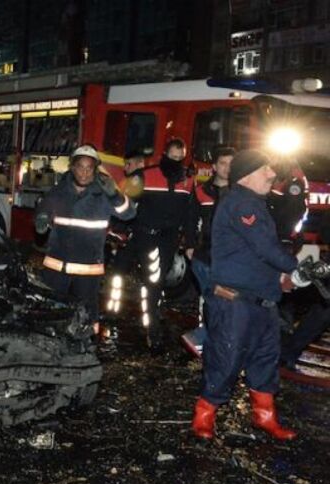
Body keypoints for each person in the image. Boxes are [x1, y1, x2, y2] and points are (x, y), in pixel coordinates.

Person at [192, 149, 302, 441]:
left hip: (262, 301)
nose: (271, 174)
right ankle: (203, 416)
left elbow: (262, 252)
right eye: (265, 169)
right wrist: (295, 267)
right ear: (245, 176)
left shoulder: (256, 203)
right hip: (235, 301)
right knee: (226, 359)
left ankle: (265, 417)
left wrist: (282, 277)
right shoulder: (241, 203)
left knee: (266, 359)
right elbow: (264, 246)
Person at [105, 138, 196, 352]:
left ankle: (151, 329)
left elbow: (190, 214)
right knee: (118, 272)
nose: (176, 161)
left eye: (179, 158)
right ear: (164, 154)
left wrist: (190, 242)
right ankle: (111, 311)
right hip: (138, 234)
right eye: (172, 156)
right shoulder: (145, 175)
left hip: (164, 240)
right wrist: (117, 230)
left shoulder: (187, 181)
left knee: (153, 283)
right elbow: (124, 203)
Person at [35, 145, 136, 333]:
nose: (84, 173)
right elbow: (45, 206)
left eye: (89, 168)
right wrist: (41, 216)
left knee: (88, 317)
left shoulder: (103, 194)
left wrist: (115, 195)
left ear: (95, 170)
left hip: (88, 269)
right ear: (72, 167)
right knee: (51, 313)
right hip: (56, 267)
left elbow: (129, 213)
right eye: (80, 167)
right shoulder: (59, 191)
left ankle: (89, 345)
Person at [181, 146, 235, 356]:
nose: (227, 168)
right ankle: (206, 341)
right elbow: (190, 219)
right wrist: (189, 245)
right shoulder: (201, 191)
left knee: (222, 303)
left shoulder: (240, 193)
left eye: (231, 164)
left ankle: (203, 339)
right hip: (204, 257)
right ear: (214, 166)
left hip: (229, 259)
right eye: (223, 163)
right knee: (217, 302)